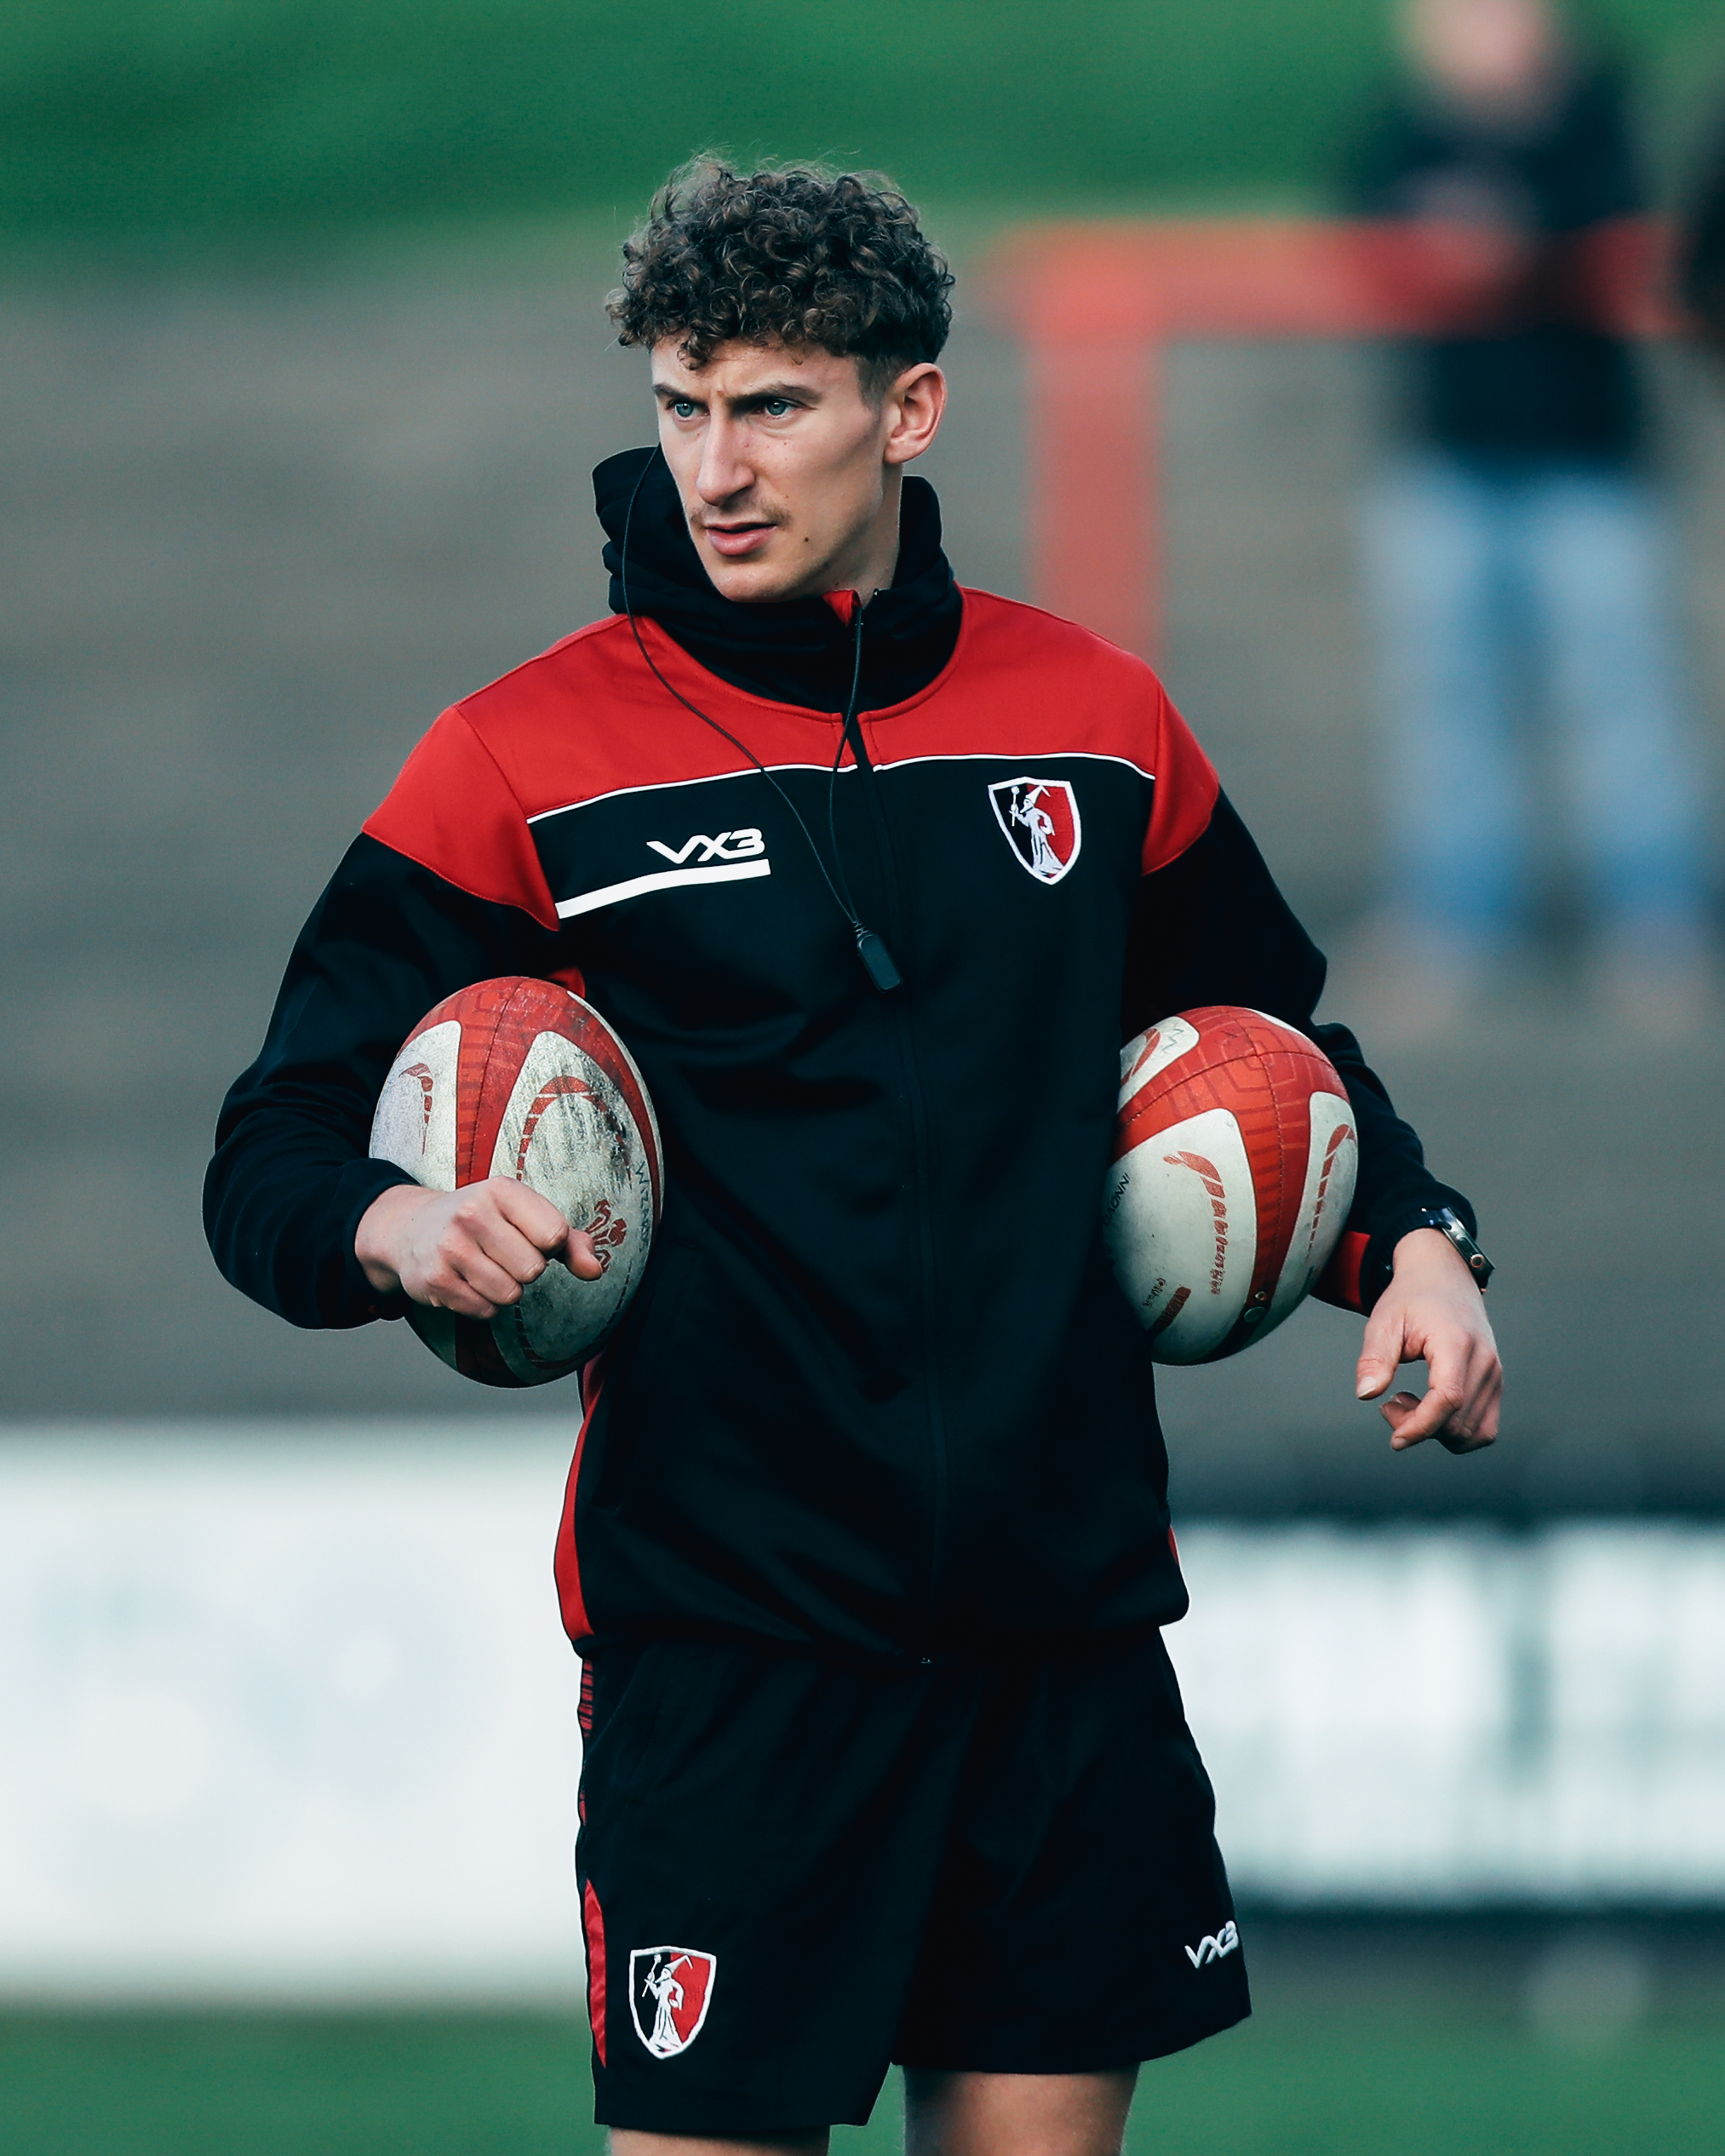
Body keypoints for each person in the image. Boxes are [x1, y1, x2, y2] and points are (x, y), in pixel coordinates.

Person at [204, 163, 1501, 2156]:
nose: (715, 466)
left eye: (775, 406)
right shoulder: (518, 753)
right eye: (680, 405)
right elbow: (273, 1139)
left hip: (1055, 1645)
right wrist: (395, 1219)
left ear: (910, 408)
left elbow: (1270, 1049)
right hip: (735, 1656)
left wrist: (1410, 1238)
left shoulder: (1094, 718)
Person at [1349, 0, 1711, 1015]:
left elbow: (1638, 225)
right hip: (1444, 465)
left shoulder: (1604, 117)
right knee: (1447, 706)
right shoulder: (1405, 127)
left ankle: (1655, 914)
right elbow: (1359, 219)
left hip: (1589, 467)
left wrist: (1516, 234)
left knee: (1621, 700)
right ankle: (1455, 913)